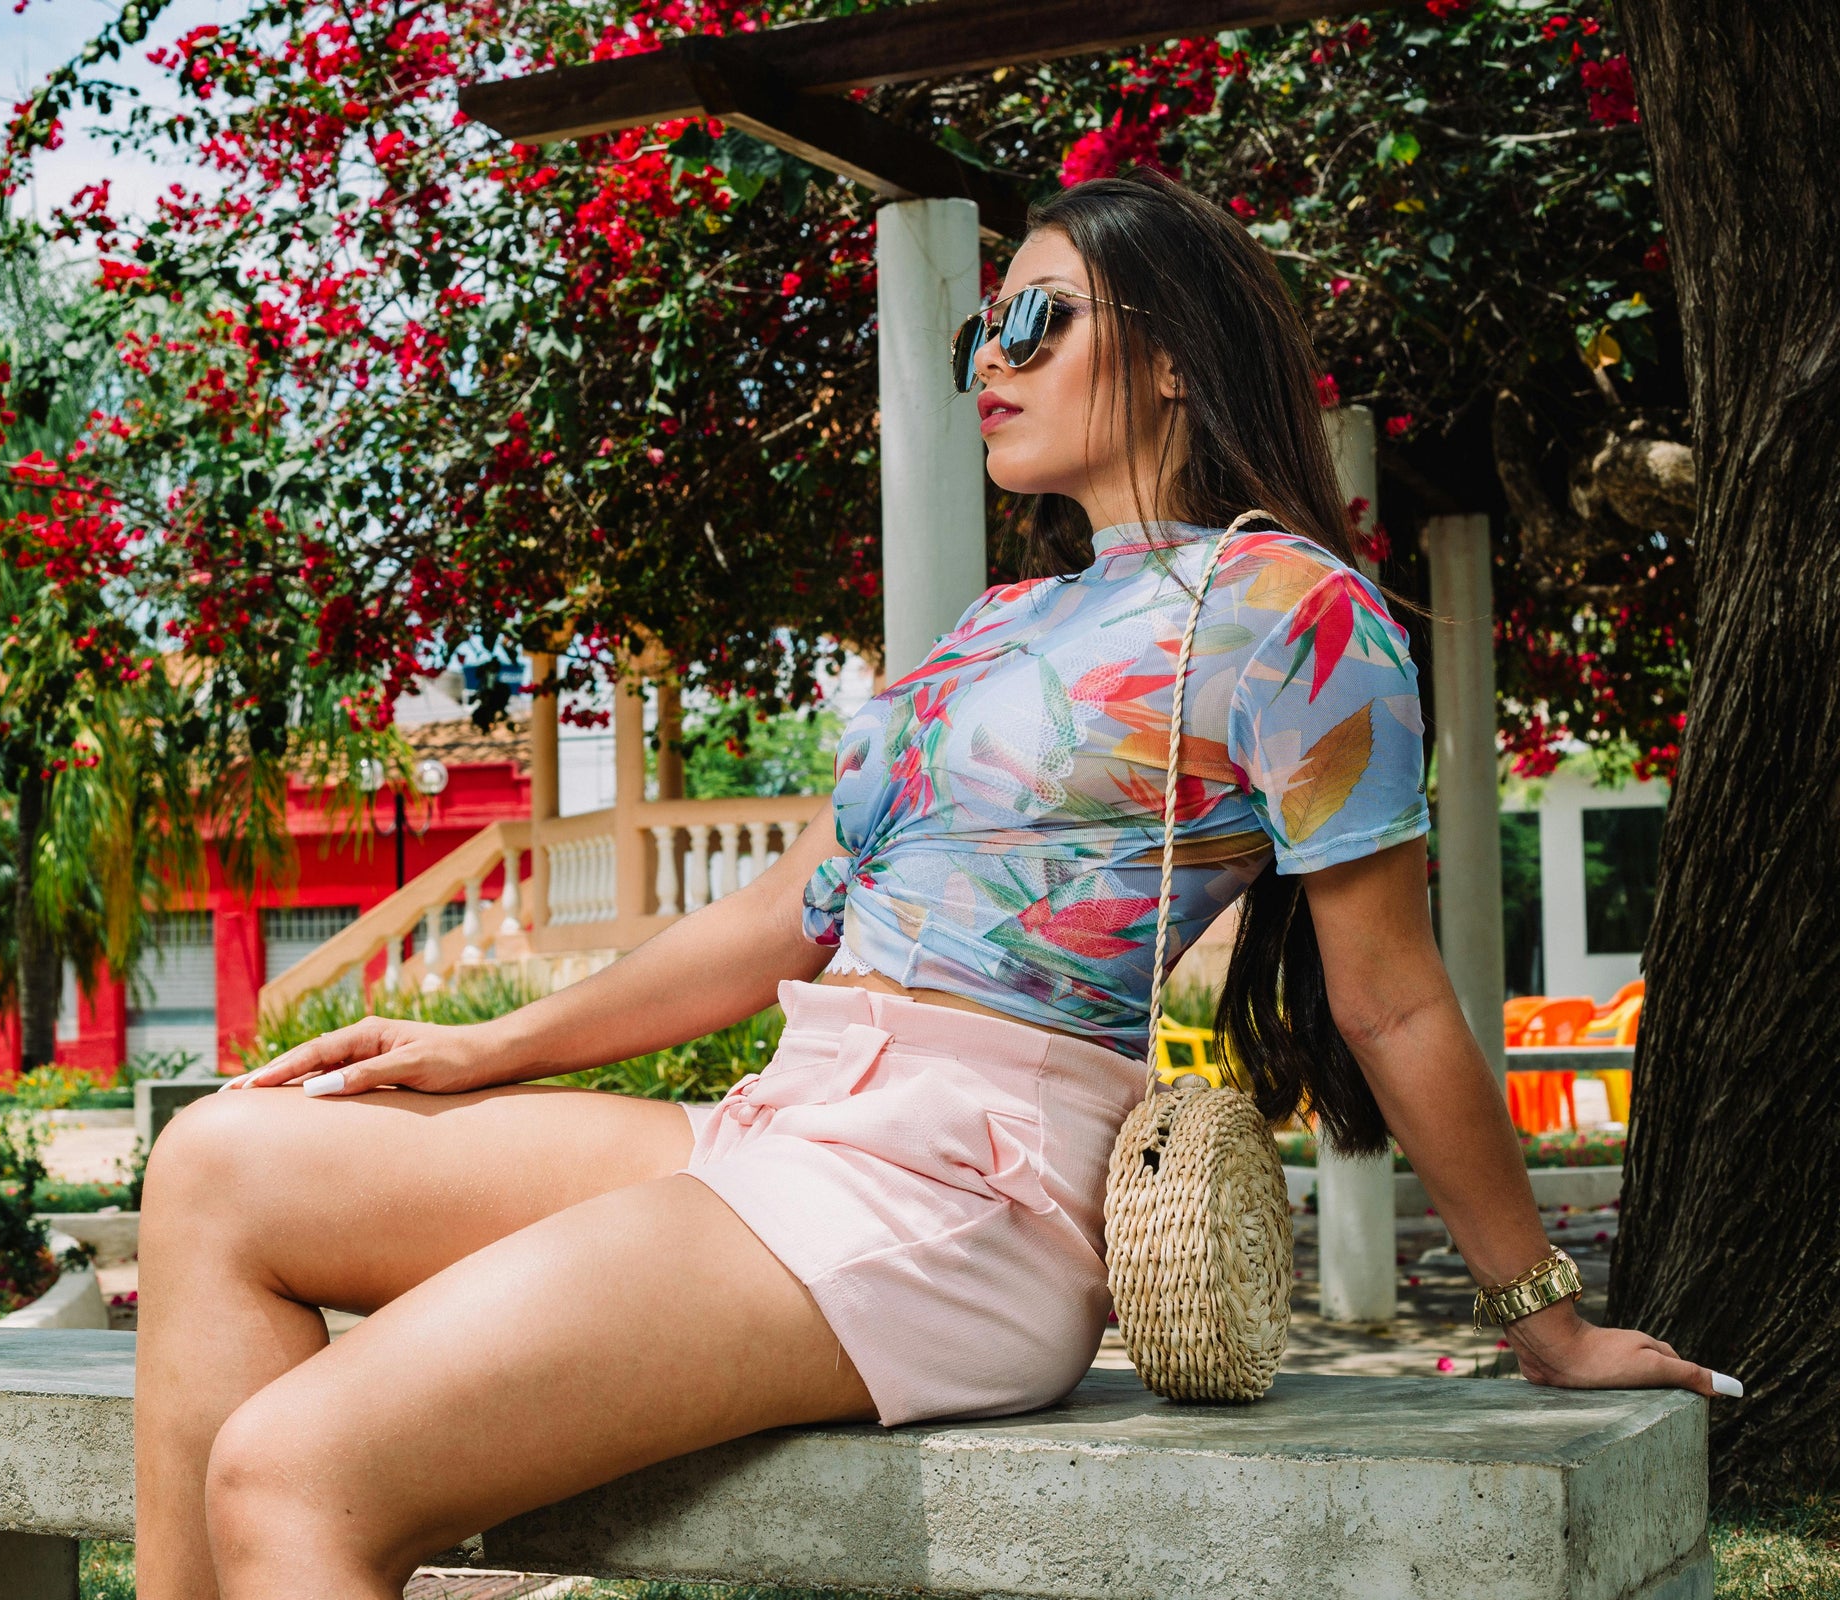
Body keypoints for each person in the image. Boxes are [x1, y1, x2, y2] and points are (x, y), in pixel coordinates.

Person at [134, 170, 1730, 1599]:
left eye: (1037, 320)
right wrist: (487, 1047)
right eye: (982, 333)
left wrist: (1545, 1315)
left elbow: (1391, 1000)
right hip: (788, 1129)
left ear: (1174, 354)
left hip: (963, 1198)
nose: (992, 363)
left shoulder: (1288, 614)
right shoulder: (995, 625)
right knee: (222, 1165)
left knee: (294, 1472)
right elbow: (785, 917)